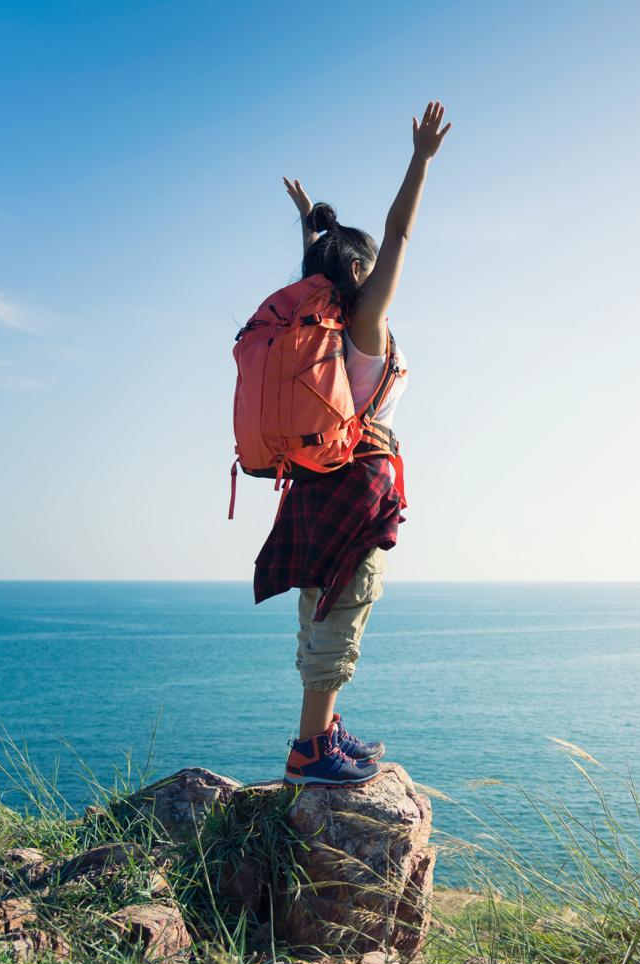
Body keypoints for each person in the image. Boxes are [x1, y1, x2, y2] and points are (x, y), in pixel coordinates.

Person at [252, 100, 451, 786]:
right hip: (355, 482)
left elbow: (327, 259)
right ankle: (311, 751)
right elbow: (397, 233)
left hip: (315, 479)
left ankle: (322, 729)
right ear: (360, 271)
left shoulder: (326, 326)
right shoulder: (363, 325)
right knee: (346, 604)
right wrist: (420, 161)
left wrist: (310, 222)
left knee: (322, 605)